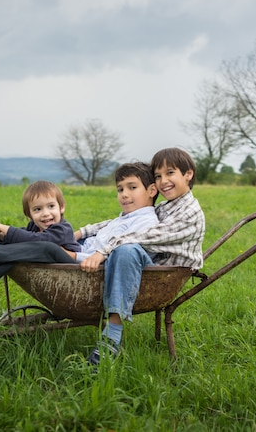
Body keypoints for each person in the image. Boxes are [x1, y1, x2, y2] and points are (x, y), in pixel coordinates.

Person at [81, 147, 205, 368]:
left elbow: (148, 235)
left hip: (163, 276)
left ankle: (112, 335)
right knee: (118, 246)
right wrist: (82, 232)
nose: (163, 181)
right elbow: (123, 221)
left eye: (170, 173)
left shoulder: (189, 213)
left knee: (126, 249)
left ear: (188, 174)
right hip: (152, 267)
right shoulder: (168, 206)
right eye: (158, 175)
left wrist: (104, 250)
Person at [70, 162, 159, 265]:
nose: (124, 194)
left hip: (93, 262)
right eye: (120, 189)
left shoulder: (146, 222)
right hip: (84, 252)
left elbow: (115, 253)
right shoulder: (122, 219)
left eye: (132, 187)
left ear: (151, 191)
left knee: (50, 248)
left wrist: (72, 255)